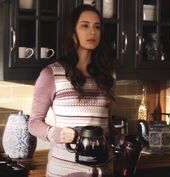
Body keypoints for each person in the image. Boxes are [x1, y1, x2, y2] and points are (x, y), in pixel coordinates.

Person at [28, 4, 116, 177]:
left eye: (97, 27)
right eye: (85, 25)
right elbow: (33, 123)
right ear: (73, 32)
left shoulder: (108, 75)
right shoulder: (52, 73)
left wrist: (119, 138)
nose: (92, 32)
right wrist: (56, 133)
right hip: (66, 171)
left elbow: (107, 125)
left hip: (104, 170)